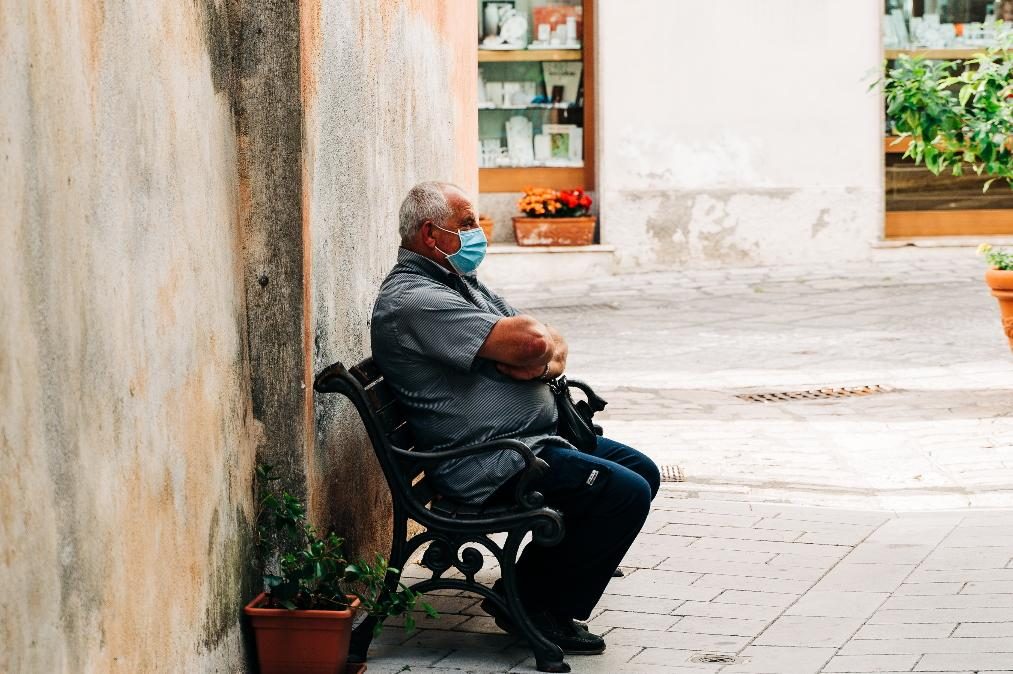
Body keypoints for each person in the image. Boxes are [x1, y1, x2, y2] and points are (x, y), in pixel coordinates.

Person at [371, 181, 660, 655]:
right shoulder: (415, 300)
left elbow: (547, 340)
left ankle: (523, 591)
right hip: (487, 462)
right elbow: (531, 341)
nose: (477, 233)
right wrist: (535, 351)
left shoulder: (459, 282)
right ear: (430, 234)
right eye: (466, 224)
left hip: (532, 443)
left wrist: (540, 358)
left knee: (642, 471)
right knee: (622, 493)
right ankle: (536, 606)